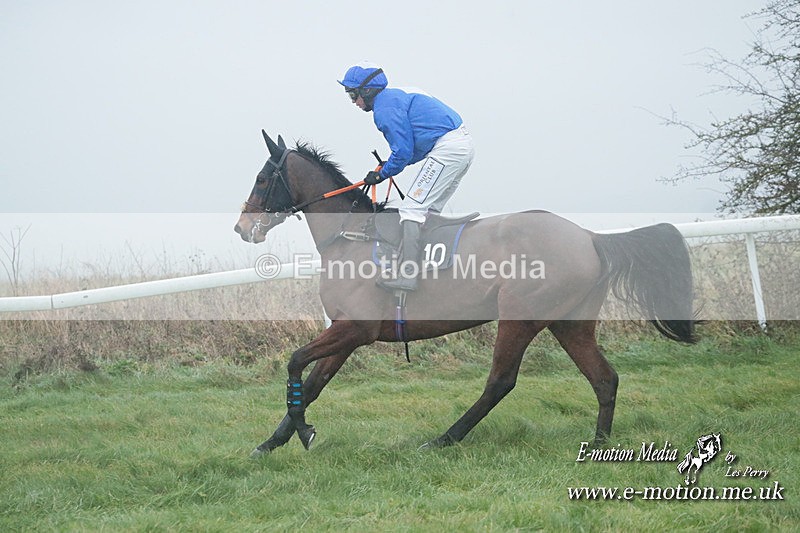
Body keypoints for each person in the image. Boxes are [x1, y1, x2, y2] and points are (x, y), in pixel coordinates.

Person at [338, 62, 475, 291]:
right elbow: (412, 150)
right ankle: (432, 270)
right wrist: (386, 168)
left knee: (411, 209)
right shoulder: (398, 95)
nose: (353, 101)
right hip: (461, 147)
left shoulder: (383, 110)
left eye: (353, 94)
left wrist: (382, 174)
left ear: (367, 91)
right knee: (428, 212)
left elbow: (402, 152)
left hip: (448, 149)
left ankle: (408, 275)